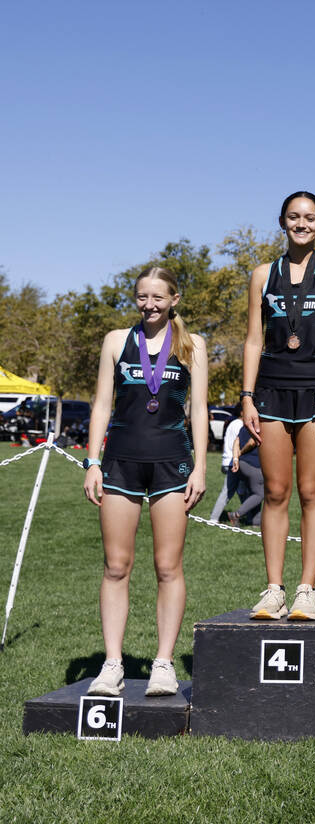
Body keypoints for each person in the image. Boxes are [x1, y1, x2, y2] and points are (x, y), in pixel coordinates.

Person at [82, 267, 208, 696]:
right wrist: (92, 462)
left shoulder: (193, 346)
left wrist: (202, 468)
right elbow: (101, 404)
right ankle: (113, 664)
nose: (149, 305)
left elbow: (201, 412)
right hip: (120, 462)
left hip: (172, 465)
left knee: (167, 567)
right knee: (116, 567)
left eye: (158, 298)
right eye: (142, 297)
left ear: (174, 299)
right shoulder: (117, 341)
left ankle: (163, 664)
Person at [242, 191, 315, 620]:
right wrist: (246, 397)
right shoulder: (262, 275)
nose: (301, 223)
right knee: (274, 491)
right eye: (293, 216)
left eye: (309, 217)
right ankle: (273, 590)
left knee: (310, 490)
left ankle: (308, 589)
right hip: (270, 392)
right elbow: (253, 339)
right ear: (282, 222)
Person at [208, 414, 246, 521]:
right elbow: (239, 444)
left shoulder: (233, 423)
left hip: (228, 460)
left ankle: (250, 517)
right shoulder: (239, 425)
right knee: (228, 491)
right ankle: (214, 518)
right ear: (242, 412)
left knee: (242, 490)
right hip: (233, 462)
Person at [228, 424, 264, 527]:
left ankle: (255, 521)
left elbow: (236, 442)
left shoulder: (244, 426)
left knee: (254, 491)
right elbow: (252, 442)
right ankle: (236, 515)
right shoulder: (259, 427)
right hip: (253, 464)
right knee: (260, 494)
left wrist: (235, 459)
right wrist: (240, 453)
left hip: (242, 465)